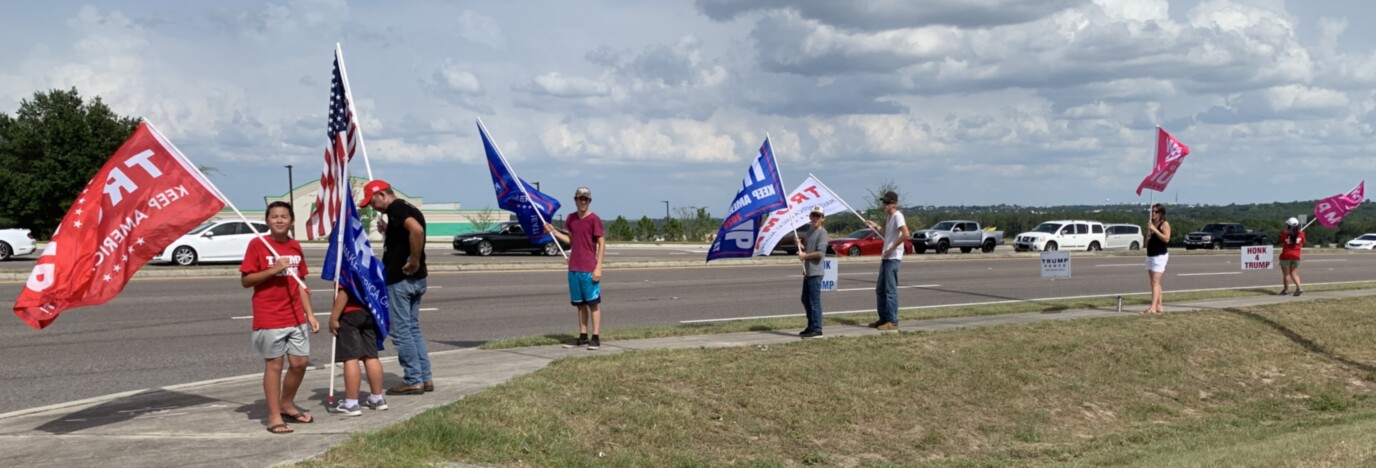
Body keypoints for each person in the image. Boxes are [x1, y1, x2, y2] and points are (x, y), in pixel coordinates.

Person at [240, 201, 318, 434]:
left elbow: (301, 284)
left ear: (292, 220)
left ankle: (286, 403)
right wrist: (273, 269)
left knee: (300, 363)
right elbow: (246, 281)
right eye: (274, 216)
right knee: (274, 365)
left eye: (284, 216)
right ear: (267, 221)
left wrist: (310, 314)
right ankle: (274, 416)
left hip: (295, 316)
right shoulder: (258, 244)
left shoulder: (295, 246)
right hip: (270, 316)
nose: (279, 220)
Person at [360, 180, 433, 395]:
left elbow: (417, 231)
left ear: (382, 194)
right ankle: (425, 377)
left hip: (402, 280)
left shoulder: (397, 208)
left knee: (401, 332)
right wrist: (388, 231)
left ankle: (413, 379)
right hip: (416, 280)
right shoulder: (407, 208)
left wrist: (414, 260)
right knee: (412, 329)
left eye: (373, 202)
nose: (373, 207)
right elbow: (406, 235)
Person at [545, 187, 606, 350]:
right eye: (580, 199)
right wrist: (554, 232)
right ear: (575, 200)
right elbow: (570, 240)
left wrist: (598, 267)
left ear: (590, 201)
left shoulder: (594, 219)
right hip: (574, 268)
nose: (583, 202)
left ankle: (596, 337)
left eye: (586, 199)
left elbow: (601, 243)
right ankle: (583, 336)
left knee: (593, 304)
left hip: (589, 268)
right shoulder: (571, 218)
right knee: (580, 305)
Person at [327, 281, 388, 416]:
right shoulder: (370, 263)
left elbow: (345, 291)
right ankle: (377, 398)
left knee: (350, 357)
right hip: (369, 311)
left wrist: (334, 317)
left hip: (350, 313)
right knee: (371, 356)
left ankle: (351, 403)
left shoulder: (347, 264)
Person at [864, 191, 910, 331]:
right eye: (884, 202)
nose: (884, 205)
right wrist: (875, 225)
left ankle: (892, 321)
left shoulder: (898, 216)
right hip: (886, 257)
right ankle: (883, 319)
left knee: (890, 290)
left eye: (886, 202)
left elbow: (906, 233)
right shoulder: (889, 217)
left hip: (893, 258)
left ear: (893, 204)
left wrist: (893, 247)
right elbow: (886, 232)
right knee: (880, 290)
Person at [796, 206, 830, 338]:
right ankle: (811, 326)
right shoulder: (810, 230)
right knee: (805, 299)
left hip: (816, 272)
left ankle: (817, 329)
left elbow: (820, 253)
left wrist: (805, 256)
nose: (815, 218)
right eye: (813, 215)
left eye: (818, 216)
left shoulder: (823, 233)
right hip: (808, 271)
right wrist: (799, 245)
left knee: (814, 301)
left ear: (823, 218)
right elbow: (808, 249)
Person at [1143, 203, 1171, 314]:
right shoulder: (1151, 224)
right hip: (1150, 254)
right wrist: (1148, 235)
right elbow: (1146, 242)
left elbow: (1166, 238)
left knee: (1155, 282)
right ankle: (1159, 305)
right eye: (1152, 211)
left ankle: (1153, 307)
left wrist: (1155, 229)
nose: (1153, 213)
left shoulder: (1164, 224)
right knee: (1154, 282)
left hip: (1159, 255)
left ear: (1161, 213)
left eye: (1156, 212)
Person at [1279, 217, 1305, 296]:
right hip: (1296, 255)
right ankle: (1299, 288)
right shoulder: (1301, 234)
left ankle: (1286, 290)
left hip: (1286, 255)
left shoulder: (1285, 233)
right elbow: (1303, 242)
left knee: (1286, 274)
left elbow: (1281, 241)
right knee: (1293, 272)